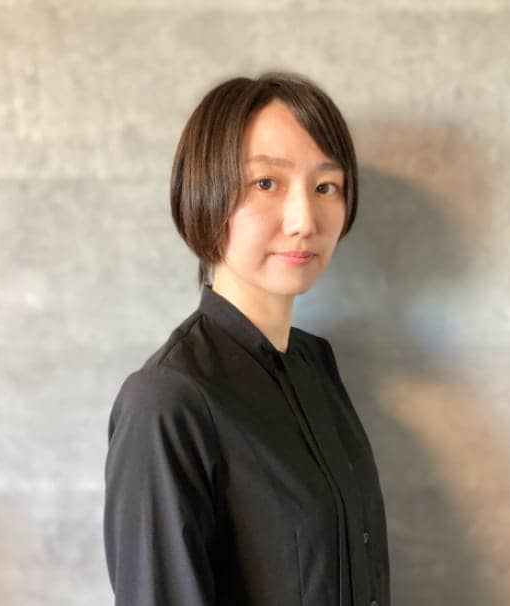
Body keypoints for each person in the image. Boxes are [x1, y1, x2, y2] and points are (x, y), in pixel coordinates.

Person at [103, 70, 390, 606]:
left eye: (325, 187)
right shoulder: (167, 400)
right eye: (266, 183)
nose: (304, 220)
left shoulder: (315, 364)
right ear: (204, 194)